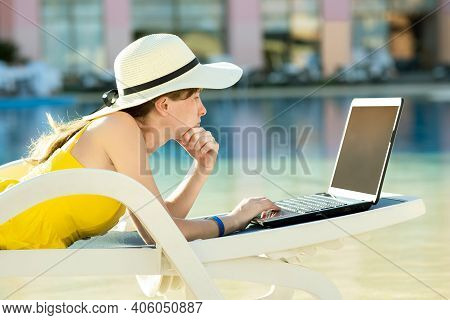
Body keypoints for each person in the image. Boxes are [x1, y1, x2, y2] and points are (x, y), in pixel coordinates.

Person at [0, 34, 279, 249]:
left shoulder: (123, 132)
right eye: (195, 97)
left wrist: (201, 169)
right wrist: (235, 219)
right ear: (165, 105)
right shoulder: (119, 128)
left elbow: (157, 219)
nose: (203, 109)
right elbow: (160, 233)